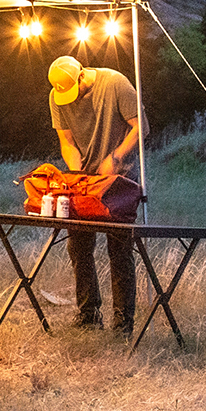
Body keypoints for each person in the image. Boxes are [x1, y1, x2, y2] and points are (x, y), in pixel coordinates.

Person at [48, 54, 147, 335]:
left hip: (119, 181)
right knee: (78, 247)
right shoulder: (56, 95)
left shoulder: (115, 83)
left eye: (72, 91)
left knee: (119, 249)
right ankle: (88, 314)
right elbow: (66, 140)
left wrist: (115, 157)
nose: (67, 98)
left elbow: (141, 127)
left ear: (81, 75)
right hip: (86, 181)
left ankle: (122, 323)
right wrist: (75, 169)